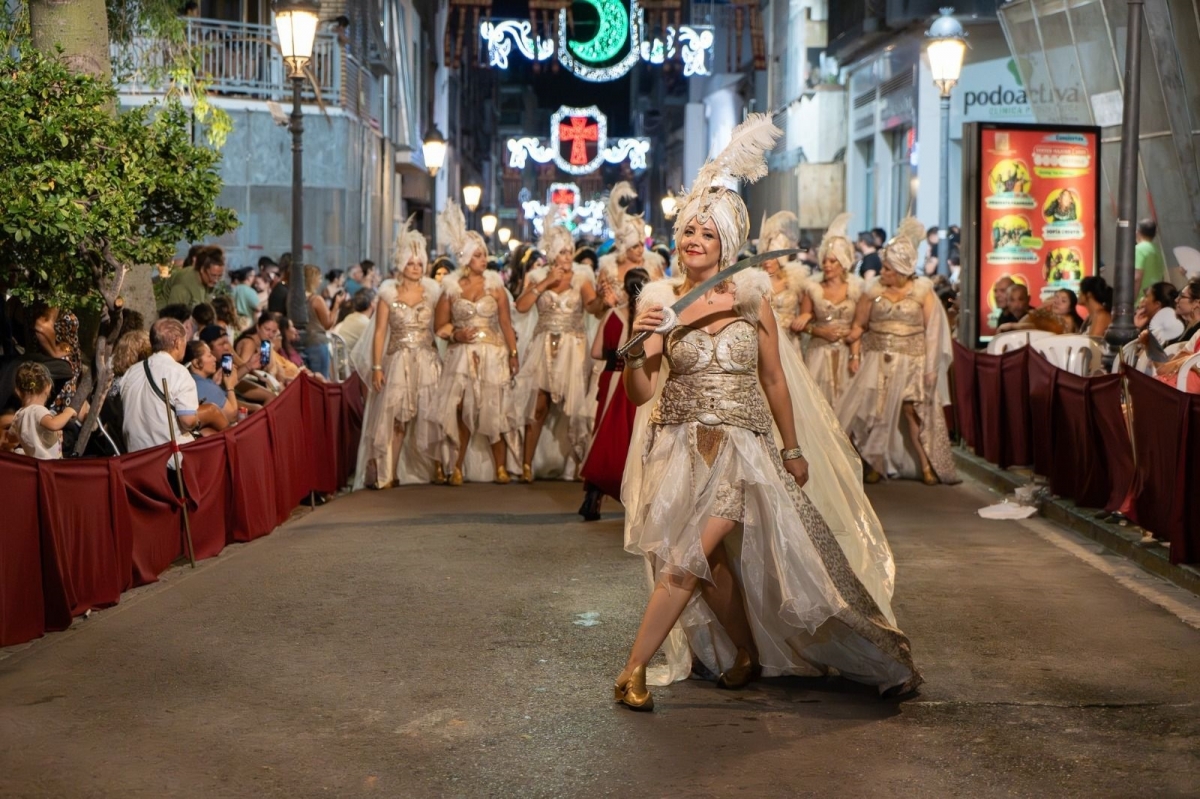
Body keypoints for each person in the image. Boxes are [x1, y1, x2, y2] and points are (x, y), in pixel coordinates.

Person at [614, 115, 920, 712]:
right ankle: (748, 654)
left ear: (727, 241)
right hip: (678, 447)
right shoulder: (659, 301)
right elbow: (643, 391)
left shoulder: (753, 298)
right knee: (708, 564)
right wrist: (635, 343)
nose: (694, 239)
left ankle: (631, 671)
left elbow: (775, 379)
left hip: (740, 451)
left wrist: (792, 447)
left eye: (707, 231)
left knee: (686, 558)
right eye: (688, 231)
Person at [840, 218, 959, 486]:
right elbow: (859, 325)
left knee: (912, 411)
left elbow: (933, 332)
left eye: (888, 268)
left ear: (902, 269)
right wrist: (853, 353)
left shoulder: (922, 291)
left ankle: (927, 464)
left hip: (911, 360)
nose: (883, 271)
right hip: (877, 359)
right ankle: (875, 462)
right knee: (876, 411)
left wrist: (930, 369)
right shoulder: (873, 291)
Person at [351, 222, 445, 489]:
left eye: (419, 263)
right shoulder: (388, 293)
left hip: (428, 359)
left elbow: (440, 326)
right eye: (410, 262)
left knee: (432, 414)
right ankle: (388, 472)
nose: (415, 267)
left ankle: (438, 466)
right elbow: (380, 331)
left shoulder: (433, 292)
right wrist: (378, 367)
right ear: (402, 264)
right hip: (397, 361)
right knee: (396, 418)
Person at [432, 201, 520, 485]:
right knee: (461, 409)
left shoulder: (496, 286)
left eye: (484, 255)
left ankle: (501, 467)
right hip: (461, 357)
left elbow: (506, 324)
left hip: (493, 353)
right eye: (479, 255)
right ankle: (455, 466)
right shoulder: (451, 288)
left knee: (493, 408)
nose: (484, 259)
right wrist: (456, 335)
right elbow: (439, 325)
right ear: (467, 258)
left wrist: (513, 353)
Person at [512, 223, 598, 482]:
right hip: (543, 347)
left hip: (574, 347)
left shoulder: (582, 277)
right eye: (563, 252)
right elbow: (522, 306)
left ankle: (580, 463)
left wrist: (604, 300)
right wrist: (548, 282)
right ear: (552, 255)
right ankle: (526, 464)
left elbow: (593, 307)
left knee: (575, 407)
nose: (568, 257)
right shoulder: (537, 278)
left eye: (570, 251)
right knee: (538, 405)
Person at [579, 267, 649, 521]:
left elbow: (596, 352)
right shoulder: (649, 318)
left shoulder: (611, 315)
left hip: (610, 379)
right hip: (637, 379)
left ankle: (593, 495)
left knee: (604, 439)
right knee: (634, 439)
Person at [120, 318, 223, 461]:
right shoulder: (178, 372)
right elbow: (187, 421)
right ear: (177, 342)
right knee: (215, 439)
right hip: (170, 459)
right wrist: (195, 418)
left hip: (135, 459)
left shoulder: (131, 372)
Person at [794, 213, 863, 407]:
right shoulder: (812, 288)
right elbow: (802, 325)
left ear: (843, 264)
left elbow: (859, 325)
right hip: (819, 352)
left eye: (833, 261)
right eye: (825, 260)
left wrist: (855, 355)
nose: (827, 265)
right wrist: (819, 330)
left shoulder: (856, 289)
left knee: (847, 405)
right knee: (819, 406)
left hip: (846, 352)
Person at [588, 183, 666, 317]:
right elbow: (597, 313)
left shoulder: (653, 266)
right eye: (635, 246)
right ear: (624, 247)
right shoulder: (608, 269)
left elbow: (664, 302)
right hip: (616, 328)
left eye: (642, 244)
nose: (640, 250)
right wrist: (605, 302)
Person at [4, 362, 80, 459]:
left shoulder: (18, 416)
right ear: (47, 387)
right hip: (49, 463)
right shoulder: (38, 410)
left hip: (34, 462)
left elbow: (11, 438)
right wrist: (67, 412)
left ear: (18, 392)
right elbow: (54, 424)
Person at [757, 210, 808, 354]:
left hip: (790, 341)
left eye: (771, 257)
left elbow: (809, 307)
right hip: (763, 343)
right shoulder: (755, 285)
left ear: (780, 259)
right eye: (764, 257)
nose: (767, 262)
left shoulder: (795, 281)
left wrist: (805, 316)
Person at [301, 266, 345, 378]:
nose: (320, 282)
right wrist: (336, 305)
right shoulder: (316, 299)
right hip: (317, 343)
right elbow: (328, 324)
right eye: (319, 278)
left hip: (303, 342)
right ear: (313, 280)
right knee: (321, 380)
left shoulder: (297, 299)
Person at [185, 340, 237, 429]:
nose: (214, 359)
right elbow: (232, 416)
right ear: (196, 363)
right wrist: (230, 386)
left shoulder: (191, 380)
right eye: (209, 355)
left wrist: (215, 385)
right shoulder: (204, 386)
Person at [162, 246, 225, 310]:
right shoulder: (184, 284)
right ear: (202, 269)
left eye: (219, 276)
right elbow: (173, 314)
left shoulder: (207, 282)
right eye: (213, 275)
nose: (216, 280)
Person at [334, 289, 375, 353]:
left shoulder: (350, 316)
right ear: (372, 303)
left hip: (337, 357)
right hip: (347, 360)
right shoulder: (366, 324)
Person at [1135, 218, 1166, 299]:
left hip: (1141, 299)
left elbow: (1137, 277)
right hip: (1154, 298)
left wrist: (1132, 299)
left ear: (1138, 232)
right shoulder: (1156, 250)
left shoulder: (1139, 249)